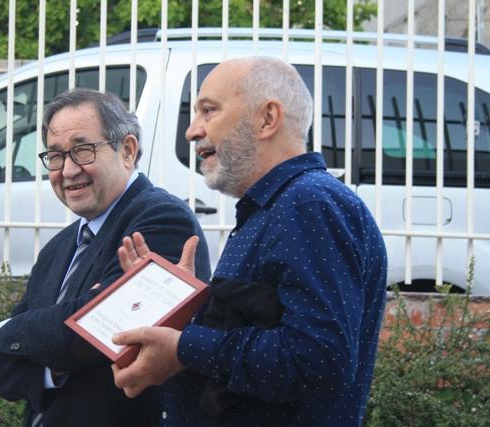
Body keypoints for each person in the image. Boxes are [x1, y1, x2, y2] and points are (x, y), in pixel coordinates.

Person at [111, 57, 388, 426]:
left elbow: (319, 359)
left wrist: (182, 348)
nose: (192, 131)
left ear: (267, 119)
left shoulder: (308, 204)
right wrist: (184, 306)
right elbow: (256, 329)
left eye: (209, 110)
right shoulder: (277, 205)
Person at [0, 88, 211, 427]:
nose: (68, 170)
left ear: (127, 150)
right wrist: (55, 365)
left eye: (82, 151)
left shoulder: (161, 219)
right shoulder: (58, 248)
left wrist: (8, 330)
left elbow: (102, 328)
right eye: (55, 156)